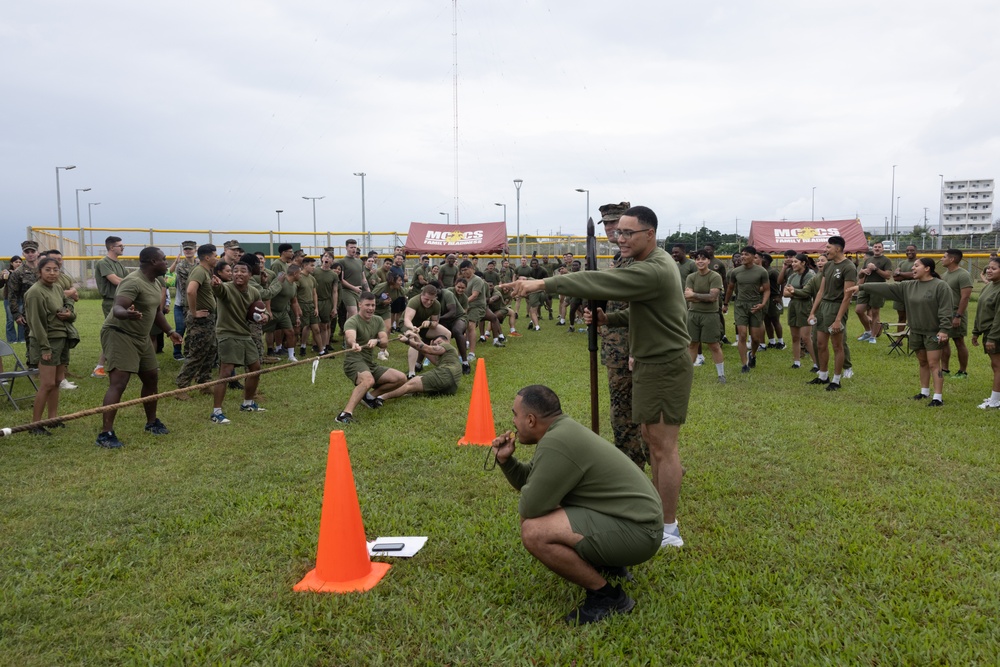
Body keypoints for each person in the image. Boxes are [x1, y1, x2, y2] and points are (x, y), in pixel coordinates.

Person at [503, 205, 691, 549]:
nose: (620, 239)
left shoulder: (654, 269)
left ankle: (668, 528)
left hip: (664, 366)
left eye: (627, 233)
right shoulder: (647, 263)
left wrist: (542, 282)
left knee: (663, 447)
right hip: (652, 363)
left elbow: (596, 280)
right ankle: (659, 516)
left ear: (649, 234)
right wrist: (610, 321)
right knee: (650, 439)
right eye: (618, 232)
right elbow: (653, 314)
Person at [490, 385, 662, 625]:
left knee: (534, 531)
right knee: (552, 507)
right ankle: (610, 565)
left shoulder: (556, 442)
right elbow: (534, 478)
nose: (513, 421)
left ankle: (607, 597)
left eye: (514, 415)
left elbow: (530, 509)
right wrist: (506, 461)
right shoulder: (561, 431)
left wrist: (543, 501)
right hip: (636, 523)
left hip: (640, 534)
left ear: (530, 420)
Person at [97, 247, 183, 448]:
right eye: (163, 259)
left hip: (141, 336)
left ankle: (152, 423)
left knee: (151, 376)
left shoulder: (156, 281)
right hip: (120, 334)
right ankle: (105, 434)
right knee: (119, 382)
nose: (166, 262)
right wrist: (127, 313)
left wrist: (170, 332)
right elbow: (117, 308)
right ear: (153, 262)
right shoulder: (133, 281)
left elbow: (156, 311)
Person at [848, 257, 952, 406]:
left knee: (934, 363)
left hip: (933, 332)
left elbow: (946, 309)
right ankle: (924, 392)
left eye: (916, 266)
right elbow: (886, 288)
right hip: (916, 330)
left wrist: (944, 330)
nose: (913, 268)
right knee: (922, 362)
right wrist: (861, 287)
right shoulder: (908, 286)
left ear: (927, 268)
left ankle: (937, 397)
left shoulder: (940, 286)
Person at [594, 201, 646, 469]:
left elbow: (645, 312)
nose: (611, 229)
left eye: (617, 223)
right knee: (623, 410)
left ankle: (635, 469)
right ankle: (639, 464)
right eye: (607, 224)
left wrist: (636, 350)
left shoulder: (639, 261)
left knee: (629, 414)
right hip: (617, 349)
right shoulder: (620, 260)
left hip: (632, 350)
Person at [209, 260, 273, 423]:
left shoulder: (253, 292)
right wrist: (216, 284)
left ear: (250, 275)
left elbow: (259, 310)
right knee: (226, 372)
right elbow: (218, 289)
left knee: (255, 368)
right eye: (235, 271)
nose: (238, 273)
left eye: (243, 271)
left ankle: (247, 403)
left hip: (245, 334)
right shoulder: (226, 288)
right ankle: (216, 412)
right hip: (227, 333)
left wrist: (263, 317)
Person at [24, 256, 77, 435]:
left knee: (57, 381)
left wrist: (68, 314)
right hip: (46, 341)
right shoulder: (35, 292)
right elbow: (36, 323)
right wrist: (45, 348)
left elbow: (68, 309)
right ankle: (35, 425)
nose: (52, 273)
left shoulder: (57, 288)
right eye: (48, 269)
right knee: (46, 384)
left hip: (61, 338)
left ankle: (52, 419)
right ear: (39, 272)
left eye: (55, 269)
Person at [335, 292, 407, 423]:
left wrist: (377, 341)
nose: (371, 308)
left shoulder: (378, 320)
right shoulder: (352, 321)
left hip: (369, 363)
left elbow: (385, 340)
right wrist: (353, 343)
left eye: (373, 305)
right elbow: (350, 336)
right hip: (354, 361)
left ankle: (369, 397)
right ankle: (344, 415)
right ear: (360, 305)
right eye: (367, 305)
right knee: (368, 381)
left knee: (401, 378)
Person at [807, 236, 857, 392]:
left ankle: (836, 379)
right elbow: (821, 291)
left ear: (838, 249)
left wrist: (838, 319)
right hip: (824, 306)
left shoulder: (848, 267)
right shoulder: (828, 266)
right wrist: (812, 312)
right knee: (820, 343)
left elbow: (847, 295)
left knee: (837, 346)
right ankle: (823, 375)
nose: (825, 250)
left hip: (837, 307)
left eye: (828, 247)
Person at [175, 244, 219, 393]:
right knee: (197, 353)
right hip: (200, 320)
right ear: (207, 257)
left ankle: (204, 382)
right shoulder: (199, 271)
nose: (216, 258)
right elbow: (190, 291)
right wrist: (194, 312)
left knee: (211, 349)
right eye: (215, 255)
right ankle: (182, 387)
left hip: (209, 319)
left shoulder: (206, 272)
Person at [377, 330, 463, 400]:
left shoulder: (447, 346)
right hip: (451, 387)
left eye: (439, 342)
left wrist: (408, 341)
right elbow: (425, 351)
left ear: (447, 341)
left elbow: (428, 349)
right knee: (412, 388)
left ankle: (379, 397)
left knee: (409, 385)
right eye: (435, 345)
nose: (437, 346)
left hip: (445, 374)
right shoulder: (446, 358)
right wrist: (416, 337)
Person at [722, 246, 769, 373]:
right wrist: (725, 304)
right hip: (740, 305)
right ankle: (744, 364)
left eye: (746, 254)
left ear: (754, 257)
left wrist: (762, 304)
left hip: (755, 305)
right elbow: (730, 289)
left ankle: (752, 355)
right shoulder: (735, 272)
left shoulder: (761, 272)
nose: (743, 256)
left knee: (755, 338)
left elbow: (767, 289)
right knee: (742, 335)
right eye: (742, 254)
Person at [685, 250, 725, 382]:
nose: (700, 261)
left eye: (703, 259)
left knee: (714, 345)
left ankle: (721, 375)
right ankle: (688, 375)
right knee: (692, 344)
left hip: (710, 315)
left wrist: (695, 295)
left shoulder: (715, 276)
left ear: (709, 261)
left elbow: (713, 297)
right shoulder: (691, 277)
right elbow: (688, 297)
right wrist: (703, 297)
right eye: (697, 259)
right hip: (693, 314)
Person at [940, 248, 973, 379]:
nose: (942, 259)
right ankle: (945, 369)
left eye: (944, 257)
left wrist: (958, 316)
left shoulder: (963, 275)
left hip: (956, 313)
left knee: (959, 341)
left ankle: (962, 371)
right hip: (945, 314)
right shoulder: (945, 274)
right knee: (943, 341)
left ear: (952, 259)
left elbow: (965, 297)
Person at [7, 240, 42, 366]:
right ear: (23, 253)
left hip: (48, 310)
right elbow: (12, 295)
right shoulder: (18, 273)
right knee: (31, 339)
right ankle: (33, 365)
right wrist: (16, 314)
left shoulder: (45, 269)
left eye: (33, 251)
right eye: (27, 252)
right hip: (29, 312)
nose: (30, 254)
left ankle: (51, 366)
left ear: (37, 252)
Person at [972, 257, 1000, 409]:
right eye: (988, 268)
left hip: (995, 333)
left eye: (993, 268)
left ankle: (995, 401)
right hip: (987, 332)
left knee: (997, 366)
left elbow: (998, 317)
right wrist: (976, 331)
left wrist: (992, 338)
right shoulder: (989, 286)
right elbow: (980, 310)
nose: (989, 271)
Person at [781, 254, 816, 369]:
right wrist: (795, 292)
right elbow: (785, 293)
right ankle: (796, 362)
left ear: (803, 263)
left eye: (796, 262)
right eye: (793, 262)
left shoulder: (810, 275)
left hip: (805, 306)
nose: (793, 264)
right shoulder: (792, 276)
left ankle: (817, 363)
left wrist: (793, 291)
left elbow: (807, 293)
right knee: (795, 336)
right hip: (793, 306)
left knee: (806, 338)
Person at [854, 241, 893, 344]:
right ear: (872, 248)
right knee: (858, 310)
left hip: (878, 288)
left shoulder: (886, 260)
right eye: (875, 247)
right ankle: (868, 331)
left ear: (882, 249)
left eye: (879, 247)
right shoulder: (868, 260)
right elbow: (862, 276)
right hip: (866, 287)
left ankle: (873, 336)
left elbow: (888, 276)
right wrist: (862, 272)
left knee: (875, 312)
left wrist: (876, 269)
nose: (877, 248)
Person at [169, 241, 198, 361]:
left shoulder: (199, 265)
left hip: (195, 303)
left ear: (195, 250)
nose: (188, 251)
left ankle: (191, 351)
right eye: (186, 249)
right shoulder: (181, 266)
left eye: (190, 249)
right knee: (180, 328)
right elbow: (187, 285)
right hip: (181, 304)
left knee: (193, 329)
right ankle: (177, 352)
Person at [892, 245, 918, 332]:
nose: (909, 252)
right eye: (907, 250)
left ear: (916, 251)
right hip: (901, 293)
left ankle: (913, 337)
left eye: (912, 250)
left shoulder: (919, 262)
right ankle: (899, 339)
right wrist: (908, 275)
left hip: (914, 293)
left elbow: (914, 275)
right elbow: (895, 277)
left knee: (914, 318)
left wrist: (901, 273)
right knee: (901, 317)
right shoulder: (902, 263)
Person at [338, 239, 366, 319]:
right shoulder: (342, 261)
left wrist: (368, 291)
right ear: (346, 248)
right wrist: (354, 288)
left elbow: (363, 279)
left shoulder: (359, 262)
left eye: (355, 247)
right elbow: (341, 280)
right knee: (353, 312)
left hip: (359, 291)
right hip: (347, 291)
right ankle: (351, 330)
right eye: (351, 247)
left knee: (355, 313)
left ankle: (347, 330)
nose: (353, 249)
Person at [3, 255, 26, 343]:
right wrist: (2, 277)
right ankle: (12, 339)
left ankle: (22, 338)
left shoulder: (24, 273)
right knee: (10, 319)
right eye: (16, 262)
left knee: (21, 318)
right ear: (11, 263)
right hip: (8, 299)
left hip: (20, 298)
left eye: (20, 262)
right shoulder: (6, 273)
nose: (18, 263)